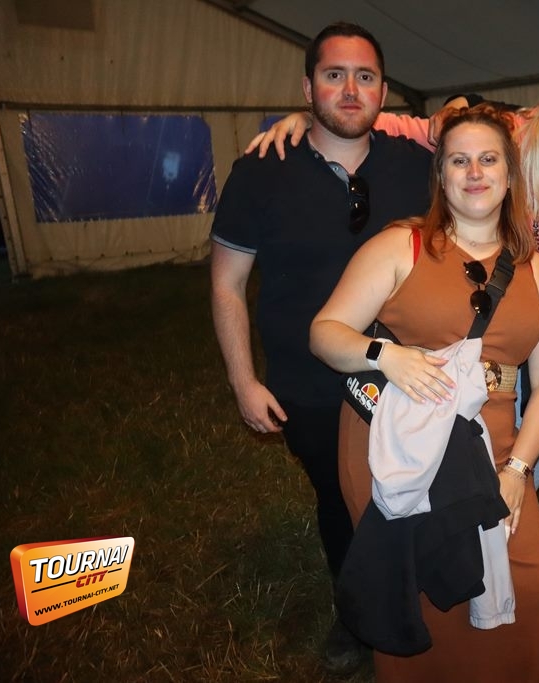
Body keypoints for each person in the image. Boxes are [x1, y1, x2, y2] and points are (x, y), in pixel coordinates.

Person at [247, 37, 539, 643]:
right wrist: (312, 124)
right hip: (449, 397)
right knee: (462, 528)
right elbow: (414, 128)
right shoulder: (503, 145)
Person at [309, 105, 539, 682]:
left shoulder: (537, 272)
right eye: (458, 161)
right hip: (402, 450)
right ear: (441, 176)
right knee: (425, 593)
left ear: (509, 175)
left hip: (495, 451)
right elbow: (325, 333)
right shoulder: (401, 246)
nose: (474, 172)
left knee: (534, 589)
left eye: (488, 159)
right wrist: (385, 355)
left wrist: (518, 470)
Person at [208, 21, 432, 676]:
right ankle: (356, 613)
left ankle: (422, 600)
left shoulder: (417, 165)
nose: (350, 89)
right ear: (308, 88)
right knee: (340, 501)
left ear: (384, 90)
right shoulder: (261, 171)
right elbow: (226, 283)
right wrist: (244, 380)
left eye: (365, 77)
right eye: (335, 75)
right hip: (308, 384)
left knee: (411, 493)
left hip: (408, 377)